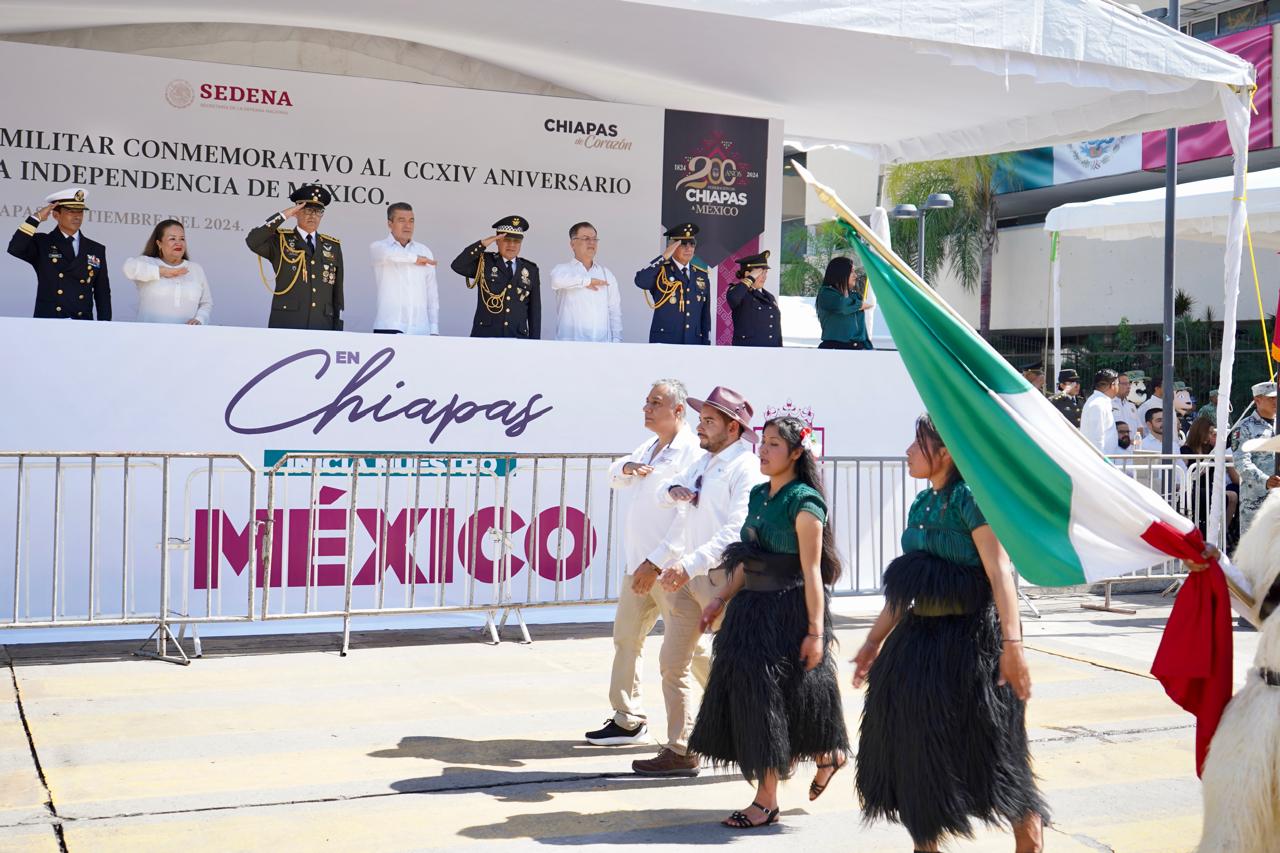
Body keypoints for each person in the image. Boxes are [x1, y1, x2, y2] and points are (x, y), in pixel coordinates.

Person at [853, 414, 1047, 852]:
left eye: (917, 444)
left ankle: (1029, 836)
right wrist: (873, 641)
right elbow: (907, 590)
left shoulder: (972, 499)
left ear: (944, 452)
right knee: (920, 751)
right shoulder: (921, 505)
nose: (907, 451)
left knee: (994, 749)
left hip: (972, 644)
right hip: (919, 645)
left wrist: (1012, 647)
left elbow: (1000, 575)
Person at [687, 415, 849, 829]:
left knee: (770, 703)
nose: (763, 450)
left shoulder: (805, 501)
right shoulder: (760, 494)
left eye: (775, 444)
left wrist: (815, 632)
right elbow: (749, 556)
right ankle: (827, 753)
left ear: (797, 452)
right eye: (763, 443)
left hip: (787, 611)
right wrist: (720, 597)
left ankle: (766, 799)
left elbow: (812, 573)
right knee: (766, 698)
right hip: (749, 611)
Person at [630, 386, 765, 777]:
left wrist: (687, 564)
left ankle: (767, 743)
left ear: (733, 427)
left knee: (744, 668)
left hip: (727, 581)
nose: (700, 428)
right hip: (693, 579)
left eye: (709, 421)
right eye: (702, 419)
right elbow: (661, 493)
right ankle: (681, 748)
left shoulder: (746, 468)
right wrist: (673, 491)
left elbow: (736, 531)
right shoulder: (706, 460)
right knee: (673, 662)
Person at [585, 380, 703, 746]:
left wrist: (655, 562)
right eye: (646, 401)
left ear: (678, 411)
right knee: (626, 638)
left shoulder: (692, 452)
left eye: (656, 403)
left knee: (691, 647)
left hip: (670, 569)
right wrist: (629, 467)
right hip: (637, 565)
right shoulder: (649, 446)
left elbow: (687, 518)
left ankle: (735, 705)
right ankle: (627, 718)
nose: (646, 408)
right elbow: (614, 474)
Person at [246, 184, 344, 331]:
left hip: (322, 324)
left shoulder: (332, 246)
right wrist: (284, 215)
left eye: (318, 211)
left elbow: (337, 293)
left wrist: (337, 327)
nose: (313, 216)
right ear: (296, 212)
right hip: (288, 323)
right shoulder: (281, 240)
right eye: (308, 210)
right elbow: (253, 240)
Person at [7, 186, 111, 320]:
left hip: (83, 324)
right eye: (70, 211)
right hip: (49, 322)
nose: (77, 216)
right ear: (56, 215)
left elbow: (102, 293)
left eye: (80, 211)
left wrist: (105, 326)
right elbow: (15, 248)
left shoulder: (96, 249)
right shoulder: (43, 243)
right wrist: (36, 218)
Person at [450, 215, 541, 339]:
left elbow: (534, 312)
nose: (512, 245)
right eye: (507, 240)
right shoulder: (485, 262)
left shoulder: (531, 270)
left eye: (516, 241)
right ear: (497, 241)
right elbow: (458, 265)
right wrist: (482, 243)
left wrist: (535, 343)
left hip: (518, 338)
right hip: (485, 336)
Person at [122, 219, 212, 325]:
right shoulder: (148, 262)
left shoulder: (195, 269)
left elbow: (206, 303)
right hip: (149, 335)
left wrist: (200, 319)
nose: (178, 243)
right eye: (172, 238)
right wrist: (161, 271)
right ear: (159, 243)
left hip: (187, 336)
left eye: (182, 239)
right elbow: (128, 268)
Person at [634, 223, 710, 345]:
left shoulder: (702, 275)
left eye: (692, 243)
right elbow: (641, 281)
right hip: (665, 342)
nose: (689, 248)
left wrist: (706, 342)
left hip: (693, 342)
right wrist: (664, 257)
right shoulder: (661, 270)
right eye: (683, 244)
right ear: (672, 247)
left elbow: (705, 315)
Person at [369, 202, 438, 335]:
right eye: (402, 220)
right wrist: (415, 259)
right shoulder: (378, 247)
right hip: (389, 325)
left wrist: (434, 327)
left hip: (420, 329)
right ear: (390, 224)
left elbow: (432, 294)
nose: (408, 226)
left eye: (411, 221)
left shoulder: (424, 250)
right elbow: (390, 255)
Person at [550, 221, 622, 343]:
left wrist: (617, 340)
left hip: (601, 345)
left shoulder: (606, 274)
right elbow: (556, 281)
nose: (592, 243)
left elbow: (614, 311)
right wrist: (586, 281)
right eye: (586, 239)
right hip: (569, 345)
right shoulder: (562, 269)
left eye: (594, 239)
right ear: (573, 243)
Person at [1230, 380, 1278, 538]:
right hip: (1256, 501)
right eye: (1271, 398)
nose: (1276, 401)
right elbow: (1241, 462)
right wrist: (1265, 480)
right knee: (1254, 552)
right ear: (1257, 400)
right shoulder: (1244, 427)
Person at [1181, 415, 1239, 540]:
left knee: (1233, 496)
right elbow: (1185, 473)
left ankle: (1222, 533)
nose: (1213, 435)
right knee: (1218, 497)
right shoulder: (1186, 450)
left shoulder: (1212, 451)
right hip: (1192, 489)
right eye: (1210, 433)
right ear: (1201, 433)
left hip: (1209, 487)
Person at [725, 250, 781, 347]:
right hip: (748, 353)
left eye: (766, 272)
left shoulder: (769, 297)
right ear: (748, 274)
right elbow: (733, 298)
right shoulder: (738, 292)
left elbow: (776, 330)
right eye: (760, 273)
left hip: (771, 353)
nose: (764, 277)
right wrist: (751, 278)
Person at [815, 257, 872, 349]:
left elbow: (861, 330)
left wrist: (869, 348)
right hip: (835, 349)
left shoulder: (855, 296)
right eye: (852, 271)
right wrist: (860, 305)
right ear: (841, 272)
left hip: (858, 349)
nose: (855, 275)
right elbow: (843, 307)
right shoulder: (826, 294)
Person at [1080, 368, 1119, 453]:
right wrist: (1101, 462)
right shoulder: (1097, 405)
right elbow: (1096, 439)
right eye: (1117, 384)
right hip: (1100, 461)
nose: (1118, 387)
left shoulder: (1101, 402)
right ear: (1112, 385)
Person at [1113, 372, 1142, 440]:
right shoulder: (1108, 404)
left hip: (1132, 448)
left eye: (1129, 384)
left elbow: (1140, 428)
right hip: (1115, 447)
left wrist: (1135, 443)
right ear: (1115, 385)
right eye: (1125, 384)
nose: (1128, 387)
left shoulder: (1131, 406)